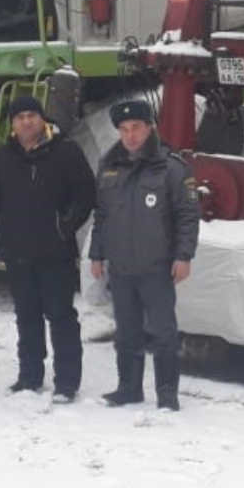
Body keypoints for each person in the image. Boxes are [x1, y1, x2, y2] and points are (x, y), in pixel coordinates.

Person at [0, 95, 97, 403]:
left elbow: (85, 192)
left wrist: (65, 224)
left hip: (55, 251)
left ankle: (67, 382)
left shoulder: (66, 152)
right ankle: (29, 376)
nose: (26, 121)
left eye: (31, 115)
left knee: (61, 317)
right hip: (18, 252)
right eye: (19, 117)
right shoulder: (3, 158)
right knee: (26, 317)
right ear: (12, 124)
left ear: (42, 119)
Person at [90, 99, 200, 411]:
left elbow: (187, 216)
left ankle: (167, 394)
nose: (130, 135)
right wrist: (97, 255)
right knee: (126, 333)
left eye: (136, 128)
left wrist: (184, 256)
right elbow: (102, 216)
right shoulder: (110, 166)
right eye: (124, 130)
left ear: (150, 127)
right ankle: (129, 388)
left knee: (164, 333)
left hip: (157, 267)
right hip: (121, 267)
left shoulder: (172, 168)